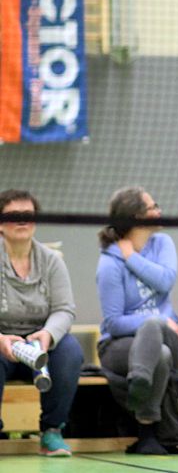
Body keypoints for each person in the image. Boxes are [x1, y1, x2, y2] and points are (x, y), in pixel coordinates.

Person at [96, 186, 178, 455]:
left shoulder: (163, 243)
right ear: (136, 216)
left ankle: (139, 380)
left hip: (167, 333)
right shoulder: (109, 264)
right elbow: (114, 323)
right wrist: (155, 321)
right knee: (160, 352)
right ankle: (147, 434)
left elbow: (166, 280)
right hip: (120, 346)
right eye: (152, 207)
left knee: (157, 333)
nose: (159, 211)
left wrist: (131, 258)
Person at [0, 189, 82, 457]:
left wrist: (47, 334)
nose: (22, 220)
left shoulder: (51, 261)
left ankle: (52, 432)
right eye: (14, 215)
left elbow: (64, 309)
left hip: (40, 346)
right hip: (2, 343)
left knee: (70, 351)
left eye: (28, 214)